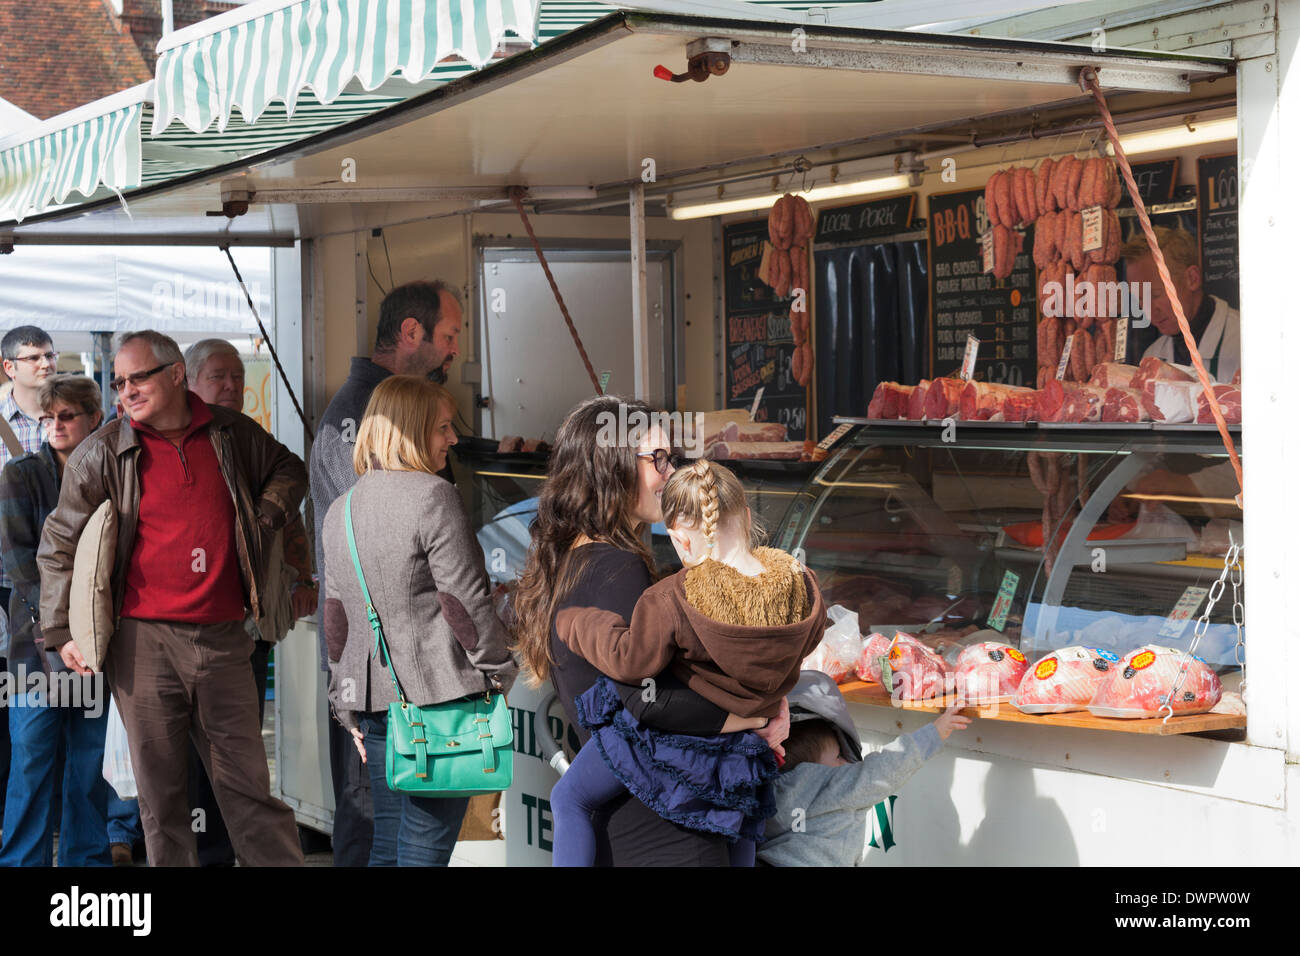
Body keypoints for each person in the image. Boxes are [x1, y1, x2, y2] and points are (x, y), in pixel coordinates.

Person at [36, 330, 307, 867]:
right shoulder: (105, 449)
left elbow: (289, 469)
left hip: (226, 637)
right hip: (142, 643)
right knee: (162, 802)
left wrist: (265, 517)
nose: (126, 390)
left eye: (139, 377)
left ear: (177, 373)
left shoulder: (232, 432)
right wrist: (60, 632)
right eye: (119, 382)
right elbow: (58, 543)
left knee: (249, 791)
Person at [512, 395, 785, 866]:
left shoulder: (573, 564)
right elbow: (648, 701)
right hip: (667, 834)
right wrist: (753, 718)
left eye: (671, 459)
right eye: (657, 459)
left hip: (630, 830)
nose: (668, 473)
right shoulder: (618, 568)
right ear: (610, 466)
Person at [550, 458, 826, 866]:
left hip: (672, 739)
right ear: (748, 517)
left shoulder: (672, 598)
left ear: (680, 539)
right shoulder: (800, 583)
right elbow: (811, 639)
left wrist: (579, 622)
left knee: (568, 797)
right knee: (739, 822)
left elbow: (630, 662)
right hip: (746, 747)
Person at [321, 376, 515, 866]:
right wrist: (499, 672)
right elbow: (463, 604)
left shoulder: (340, 510)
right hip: (440, 704)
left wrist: (343, 702)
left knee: (388, 843)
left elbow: (336, 619)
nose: (453, 439)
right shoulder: (434, 495)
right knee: (425, 848)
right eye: (442, 428)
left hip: (375, 703)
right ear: (409, 430)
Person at [310, 280, 461, 867]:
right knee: (371, 817)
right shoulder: (358, 414)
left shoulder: (381, 405)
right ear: (410, 333)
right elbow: (383, 547)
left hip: (387, 659)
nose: (454, 350)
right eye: (448, 336)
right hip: (374, 659)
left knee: (390, 821)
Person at [183, 338, 318, 866]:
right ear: (188, 382)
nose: (232, 385)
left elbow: (292, 515)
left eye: (237, 376)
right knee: (190, 759)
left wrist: (300, 576)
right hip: (182, 631)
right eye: (219, 376)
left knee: (239, 754)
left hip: (246, 629)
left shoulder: (256, 442)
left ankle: (239, 852)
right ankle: (205, 852)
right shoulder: (171, 441)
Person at [0, 375, 113, 866]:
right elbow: (17, 566)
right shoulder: (20, 475)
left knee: (88, 768)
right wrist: (61, 629)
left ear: (94, 418)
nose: (56, 425)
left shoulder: (111, 475)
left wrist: (89, 632)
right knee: (30, 764)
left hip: (97, 646)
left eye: (67, 415)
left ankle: (84, 865)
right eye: (48, 417)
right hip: (33, 650)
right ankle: (21, 864)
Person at [758, 670, 970, 866]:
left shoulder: (767, 791)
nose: (846, 761)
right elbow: (884, 769)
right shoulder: (834, 785)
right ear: (815, 767)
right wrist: (935, 733)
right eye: (839, 755)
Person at [0, 326, 58, 824]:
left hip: (52, 592)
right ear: (8, 367)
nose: (44, 363)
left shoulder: (73, 420)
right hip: (5, 585)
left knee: (45, 708)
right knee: (17, 705)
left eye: (49, 355)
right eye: (33, 357)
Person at [1121, 226, 1240, 382]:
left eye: (1155, 294)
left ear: (1192, 278)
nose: (1148, 311)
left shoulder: (1245, 341)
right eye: (1140, 299)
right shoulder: (1153, 356)